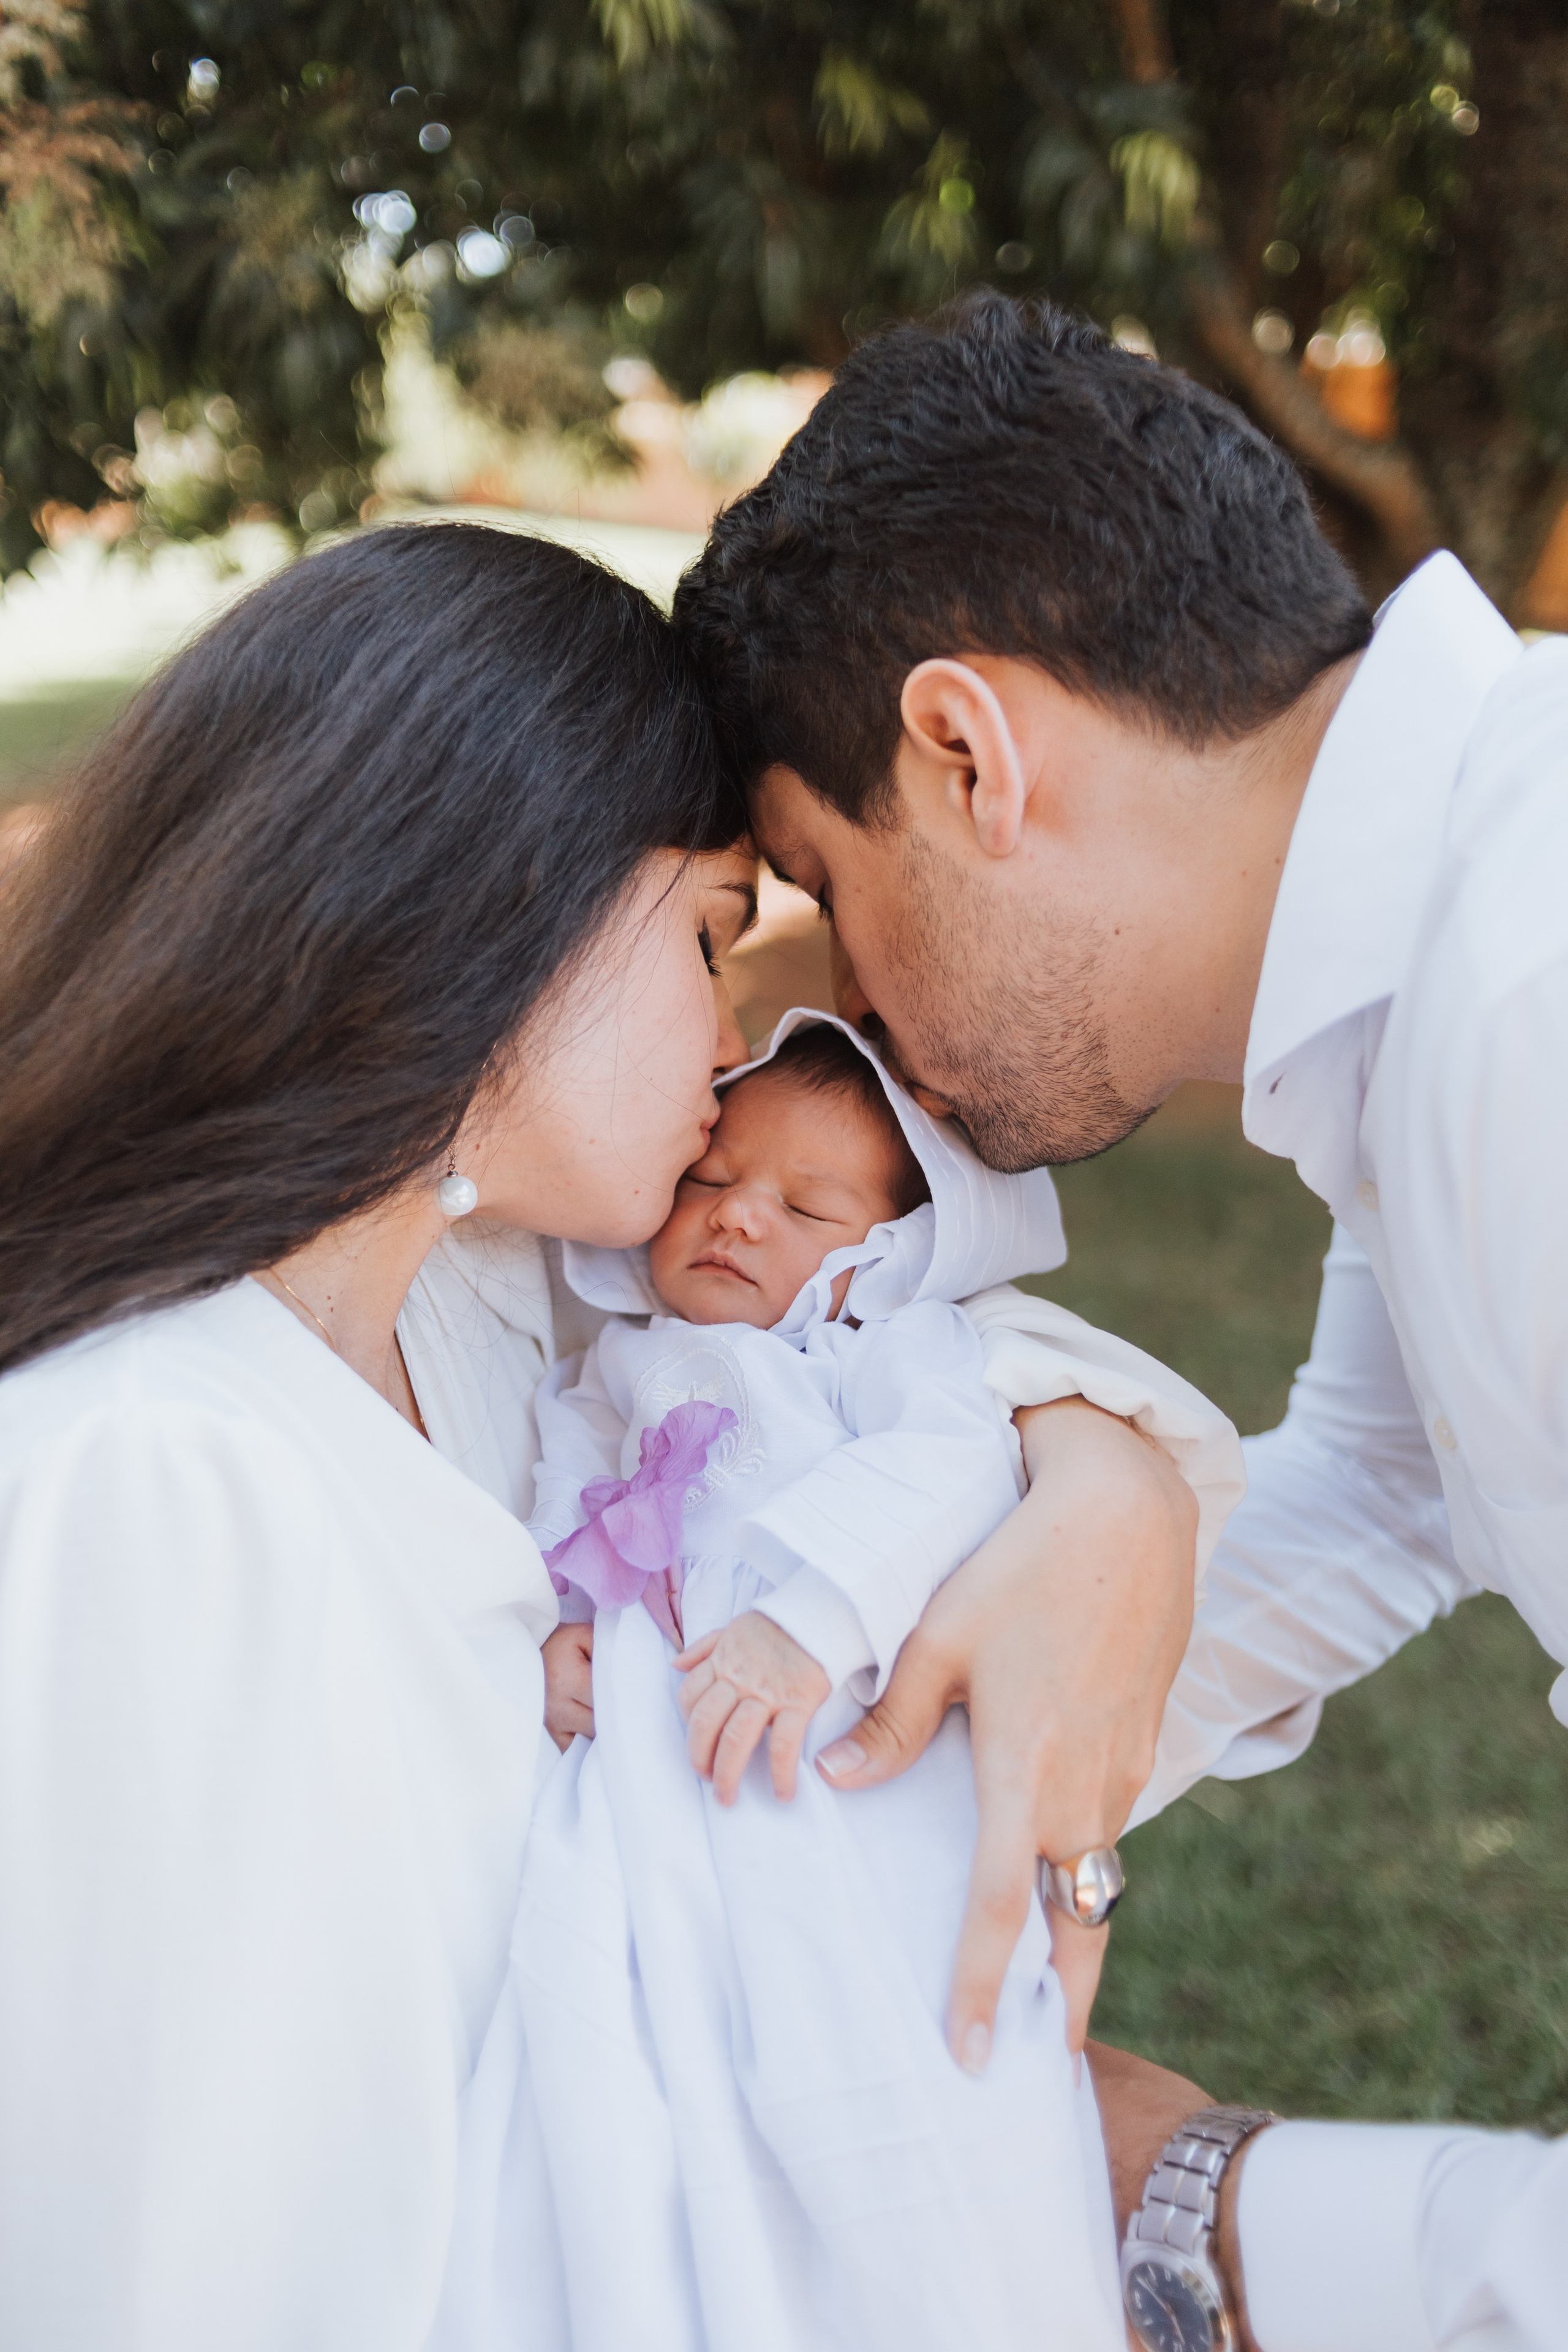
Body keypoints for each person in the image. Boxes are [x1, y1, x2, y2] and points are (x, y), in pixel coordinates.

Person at [0, 514, 1212, 2347]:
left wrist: (1102, 1466)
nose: (735, 1046)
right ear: (492, 918)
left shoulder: (470, 1310)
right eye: (715, 934)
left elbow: (871, 1325)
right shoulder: (155, 1481)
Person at [676, 291, 1568, 2352]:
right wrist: (842, 1790)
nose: (853, 1022)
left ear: (969, 752)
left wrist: (1209, 2209)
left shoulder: (1533, 1003)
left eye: (819, 890)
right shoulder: (1438, 958)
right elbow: (1380, 1483)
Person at [440, 1010, 1239, 2352]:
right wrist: (562, 1620)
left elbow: (951, 1471)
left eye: (803, 1205)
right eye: (709, 1180)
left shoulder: (887, 1349)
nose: (735, 1217)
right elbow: (570, 1485)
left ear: (884, 1252)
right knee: (622, 1968)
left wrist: (808, 1622)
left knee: (853, 1967)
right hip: (656, 1725)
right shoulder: (611, 1358)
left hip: (833, 1710)